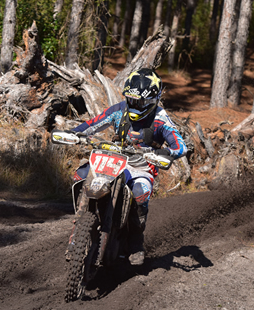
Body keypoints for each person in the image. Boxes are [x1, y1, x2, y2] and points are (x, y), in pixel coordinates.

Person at [72, 68, 187, 266]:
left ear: (153, 100)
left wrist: (166, 152)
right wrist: (74, 133)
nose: (135, 105)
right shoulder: (119, 110)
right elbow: (92, 124)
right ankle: (80, 222)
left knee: (139, 193)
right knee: (80, 176)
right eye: (132, 100)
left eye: (141, 102)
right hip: (113, 159)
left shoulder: (160, 118)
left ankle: (135, 242)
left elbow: (181, 146)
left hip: (142, 167)